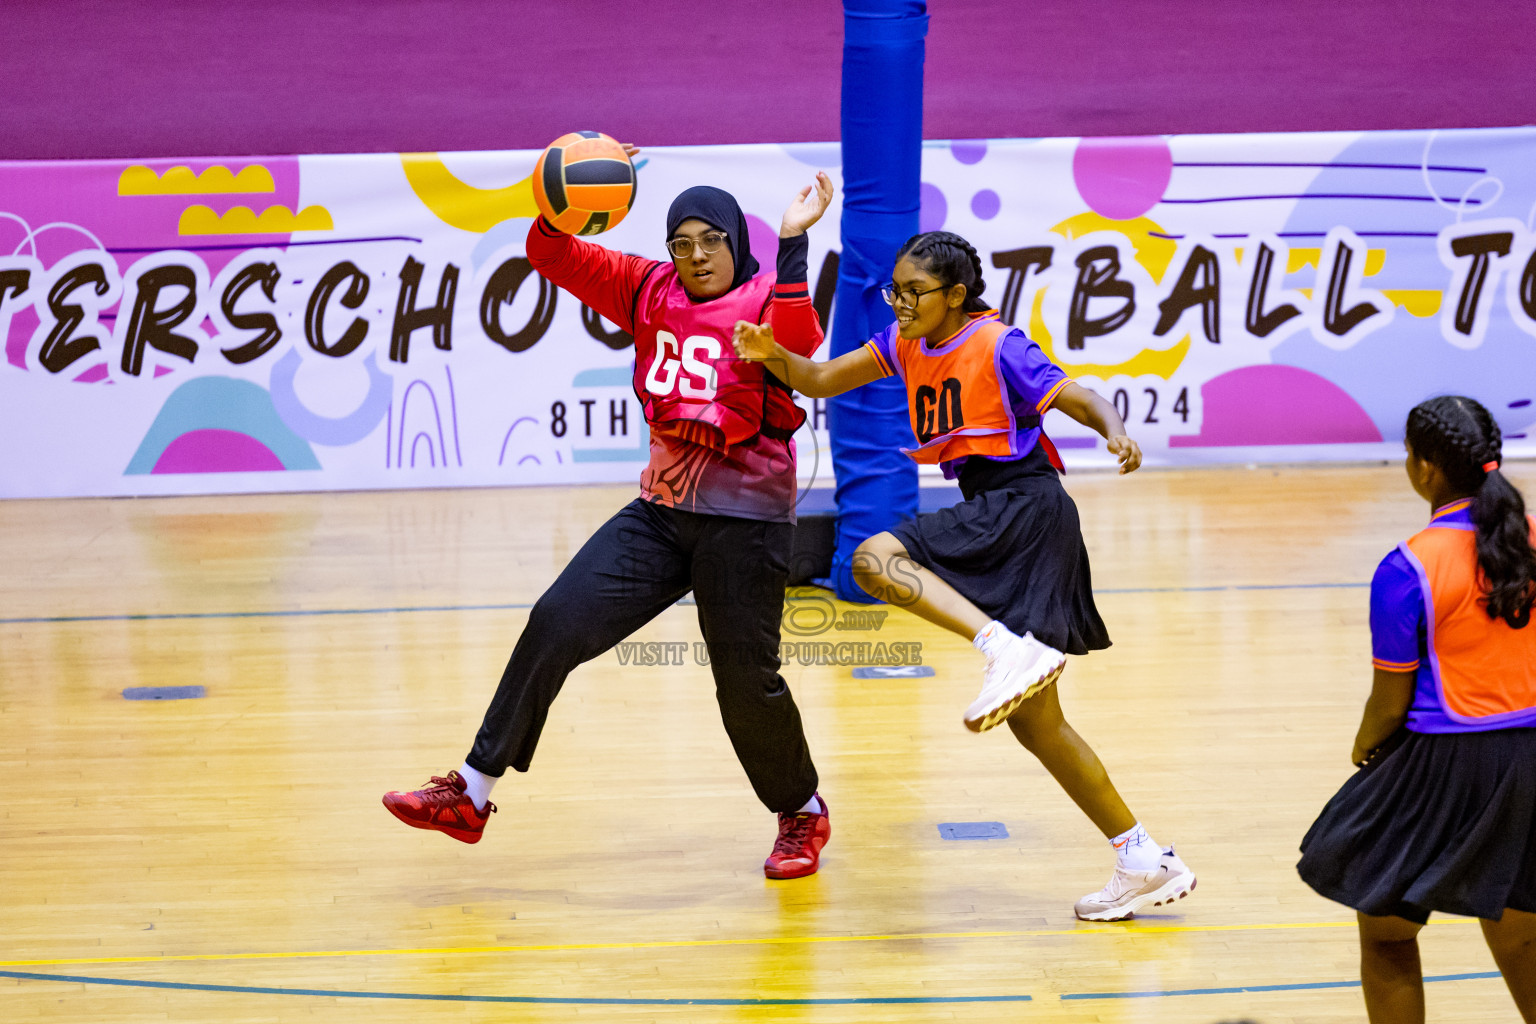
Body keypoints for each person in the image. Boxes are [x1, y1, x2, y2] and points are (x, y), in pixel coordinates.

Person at [383, 160, 839, 881]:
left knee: (744, 685)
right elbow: (550, 252)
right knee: (556, 620)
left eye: (710, 240)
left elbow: (803, 340)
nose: (694, 256)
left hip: (745, 524)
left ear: (736, 244)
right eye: (681, 242)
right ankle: (471, 792)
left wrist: (791, 241)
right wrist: (565, 196)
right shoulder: (647, 287)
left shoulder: (763, 294)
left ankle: (800, 812)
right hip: (660, 516)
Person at [732, 229, 1195, 920]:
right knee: (1037, 724)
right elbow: (823, 379)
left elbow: (1074, 395)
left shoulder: (999, 342)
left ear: (955, 294)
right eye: (895, 290)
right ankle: (1141, 855)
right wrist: (775, 355)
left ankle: (999, 648)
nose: (901, 303)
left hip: (1027, 507)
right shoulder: (903, 341)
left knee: (872, 559)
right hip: (1002, 510)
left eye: (914, 292)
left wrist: (1114, 429)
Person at [1297, 395, 1536, 1023]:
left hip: (1451, 763)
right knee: (1519, 929)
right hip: (1532, 761)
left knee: (1386, 930)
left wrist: (1362, 746)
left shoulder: (1409, 567)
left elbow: (1391, 699)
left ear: (1426, 468)